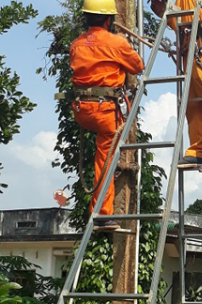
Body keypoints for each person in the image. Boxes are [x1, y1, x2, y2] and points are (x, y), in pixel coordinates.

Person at [69, 0, 144, 230]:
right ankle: (102, 212)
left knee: (102, 154)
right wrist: (126, 47)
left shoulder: (76, 44)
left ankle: (100, 210)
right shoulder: (116, 43)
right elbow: (138, 67)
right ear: (109, 19)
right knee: (106, 158)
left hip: (82, 110)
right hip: (105, 111)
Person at [151, 0, 202, 172]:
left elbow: (198, 16)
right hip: (189, 48)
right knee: (192, 102)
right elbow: (180, 22)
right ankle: (197, 151)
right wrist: (166, 12)